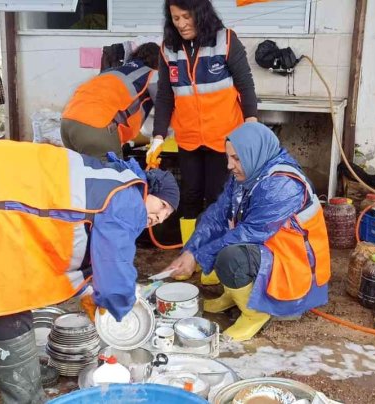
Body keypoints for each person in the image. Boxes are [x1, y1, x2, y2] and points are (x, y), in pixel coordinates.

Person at [0, 138, 178, 404]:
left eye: (165, 217)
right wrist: (124, 310)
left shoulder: (112, 179)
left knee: (1, 296)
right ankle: (26, 399)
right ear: (150, 189)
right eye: (163, 206)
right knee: (7, 304)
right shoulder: (127, 197)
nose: (159, 218)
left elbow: (71, 232)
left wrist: (88, 289)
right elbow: (114, 272)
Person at [163, 123, 331, 342]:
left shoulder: (282, 184)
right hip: (268, 248)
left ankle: (255, 314)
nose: (230, 165)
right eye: (229, 157)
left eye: (236, 158)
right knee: (207, 219)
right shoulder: (251, 172)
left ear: (254, 152)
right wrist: (190, 251)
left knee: (231, 257)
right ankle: (235, 294)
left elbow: (250, 232)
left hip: (292, 262)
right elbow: (218, 214)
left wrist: (199, 257)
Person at [151, 0, 259, 267]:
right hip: (188, 139)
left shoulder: (225, 41)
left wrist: (251, 127)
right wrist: (157, 137)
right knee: (188, 197)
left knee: (217, 198)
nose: (181, 24)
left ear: (200, 14)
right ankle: (189, 254)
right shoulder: (169, 49)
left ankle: (212, 258)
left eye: (186, 17)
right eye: (175, 18)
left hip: (223, 139)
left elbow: (246, 86)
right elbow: (165, 96)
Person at [61, 43, 161, 159]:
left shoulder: (112, 71)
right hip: (95, 127)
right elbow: (165, 106)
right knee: (111, 173)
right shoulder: (152, 74)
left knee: (80, 172)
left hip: (67, 123)